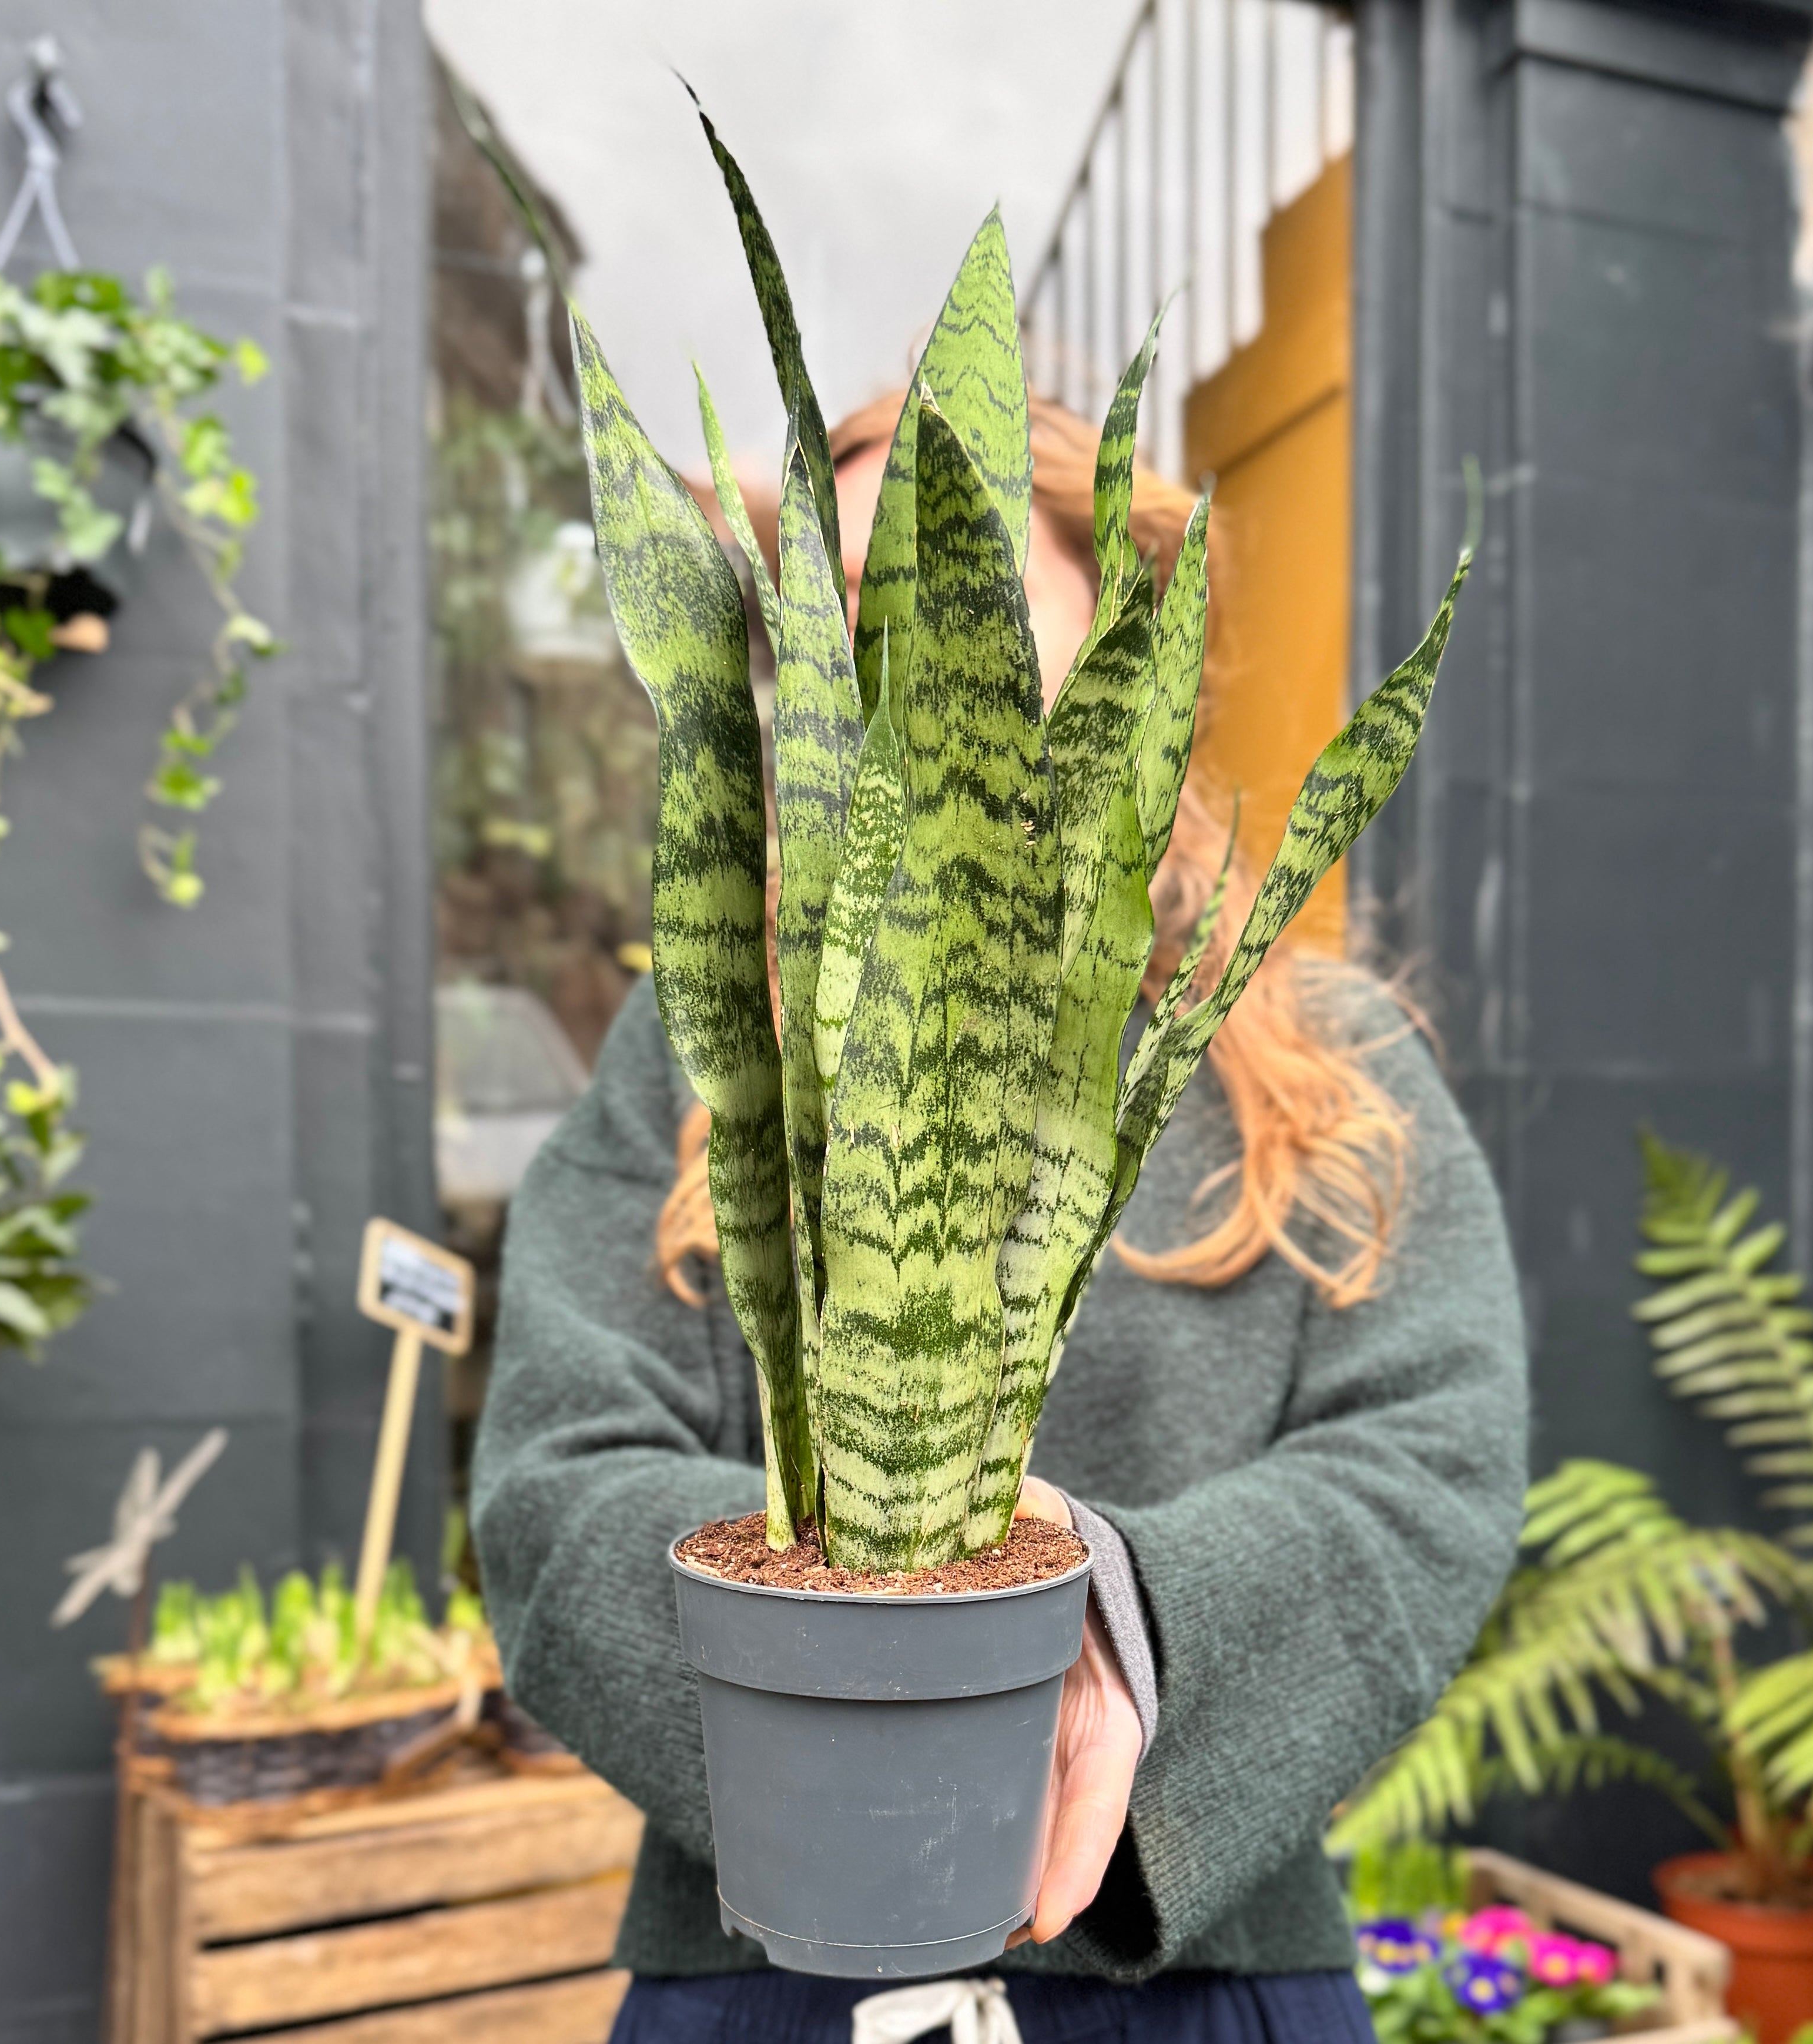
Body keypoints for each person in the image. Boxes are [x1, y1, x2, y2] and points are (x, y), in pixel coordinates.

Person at [473, 390, 1529, 2044]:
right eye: (837, 610)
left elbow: (1429, 1469)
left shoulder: (1324, 1064)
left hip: (1204, 1965)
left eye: (952, 589)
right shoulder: (703, 1048)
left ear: (1124, 641)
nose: (892, 659)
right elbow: (556, 1476)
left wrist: (1112, 1619)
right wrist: (872, 1673)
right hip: (768, 1965)